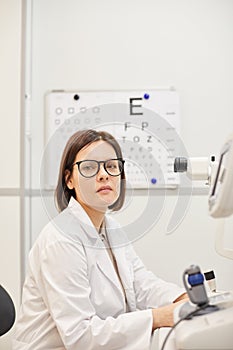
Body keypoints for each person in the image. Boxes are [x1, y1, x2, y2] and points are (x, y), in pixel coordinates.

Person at [13, 129, 187, 350]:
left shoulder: (111, 227)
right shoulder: (61, 239)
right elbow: (80, 337)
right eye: (89, 167)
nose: (104, 175)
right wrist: (157, 317)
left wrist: (182, 299)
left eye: (111, 166)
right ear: (69, 180)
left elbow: (141, 283)